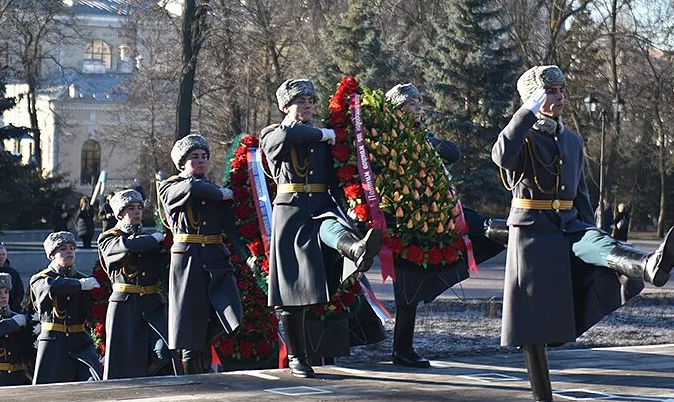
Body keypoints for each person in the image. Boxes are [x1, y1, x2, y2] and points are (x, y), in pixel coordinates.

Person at [492, 65, 674, 402]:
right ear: (534, 98)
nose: (561, 97)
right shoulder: (523, 137)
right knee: (533, 327)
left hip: (570, 225)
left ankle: (647, 265)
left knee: (602, 244)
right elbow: (501, 156)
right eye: (552, 92)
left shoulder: (573, 141)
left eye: (562, 90)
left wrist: (588, 228)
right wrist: (526, 111)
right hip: (531, 233)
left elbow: (579, 195)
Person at [261, 79, 383, 378]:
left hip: (320, 201)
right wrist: (322, 133)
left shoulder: (326, 140)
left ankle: (356, 249)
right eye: (300, 101)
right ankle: (297, 356)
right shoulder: (274, 134)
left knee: (331, 225)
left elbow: (339, 172)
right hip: (290, 209)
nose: (307, 106)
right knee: (291, 289)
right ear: (286, 106)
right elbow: (282, 139)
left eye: (311, 101)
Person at [384, 83, 509, 368]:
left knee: (493, 229)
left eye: (418, 102)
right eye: (410, 103)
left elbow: (452, 153)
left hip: (444, 213)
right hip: (407, 220)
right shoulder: (387, 140)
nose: (417, 106)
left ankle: (522, 241)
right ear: (396, 110)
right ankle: (402, 350)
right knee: (408, 291)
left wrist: (422, 140)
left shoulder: (423, 138)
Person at [159, 135, 243, 374]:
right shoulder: (171, 186)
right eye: (194, 157)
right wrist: (221, 194)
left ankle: (203, 349)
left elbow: (230, 227)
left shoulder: (214, 189)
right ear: (182, 163)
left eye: (204, 157)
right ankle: (193, 371)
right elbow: (191, 188)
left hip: (216, 256)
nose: (201, 161)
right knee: (190, 321)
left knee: (231, 313)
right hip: (188, 257)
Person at [98, 189, 169, 379]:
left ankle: (146, 376)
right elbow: (127, 247)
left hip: (152, 303)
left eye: (139, 207)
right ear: (119, 214)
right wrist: (153, 239)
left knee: (164, 351)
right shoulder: (108, 238)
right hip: (126, 304)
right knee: (125, 357)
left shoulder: (149, 238)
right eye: (131, 208)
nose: (137, 212)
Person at [29, 231, 102, 384]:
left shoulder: (82, 278)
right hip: (54, 343)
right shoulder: (41, 279)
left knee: (95, 380)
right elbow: (51, 287)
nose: (69, 251)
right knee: (50, 390)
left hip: (80, 343)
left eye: (71, 248)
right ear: (52, 255)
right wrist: (80, 285)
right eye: (63, 249)